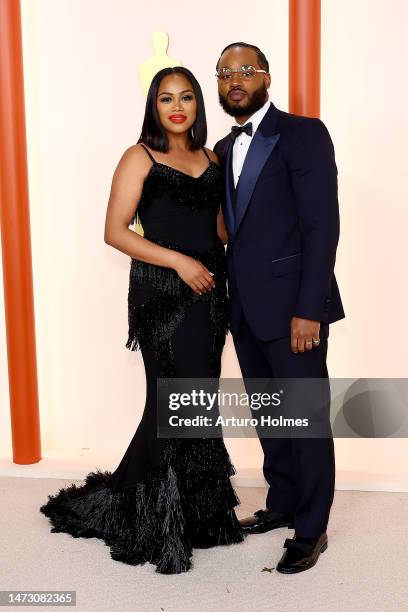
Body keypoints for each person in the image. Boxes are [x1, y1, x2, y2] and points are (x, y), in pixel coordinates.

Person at [40, 66, 245, 574]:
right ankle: (155, 518)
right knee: (171, 399)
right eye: (166, 99)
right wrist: (178, 261)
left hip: (208, 293)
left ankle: (199, 515)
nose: (177, 107)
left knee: (197, 399)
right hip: (162, 293)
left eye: (187, 98)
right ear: (153, 107)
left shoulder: (212, 158)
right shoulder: (139, 156)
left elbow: (218, 228)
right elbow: (114, 231)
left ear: (198, 106)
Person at [213, 42, 345, 574]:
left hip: (296, 308)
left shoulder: (303, 134)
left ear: (267, 77)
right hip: (245, 308)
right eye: (225, 73)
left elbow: (322, 226)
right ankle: (284, 502)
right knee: (272, 417)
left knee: (307, 421)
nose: (235, 80)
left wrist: (308, 308)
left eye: (246, 70)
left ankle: (312, 528)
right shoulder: (221, 148)